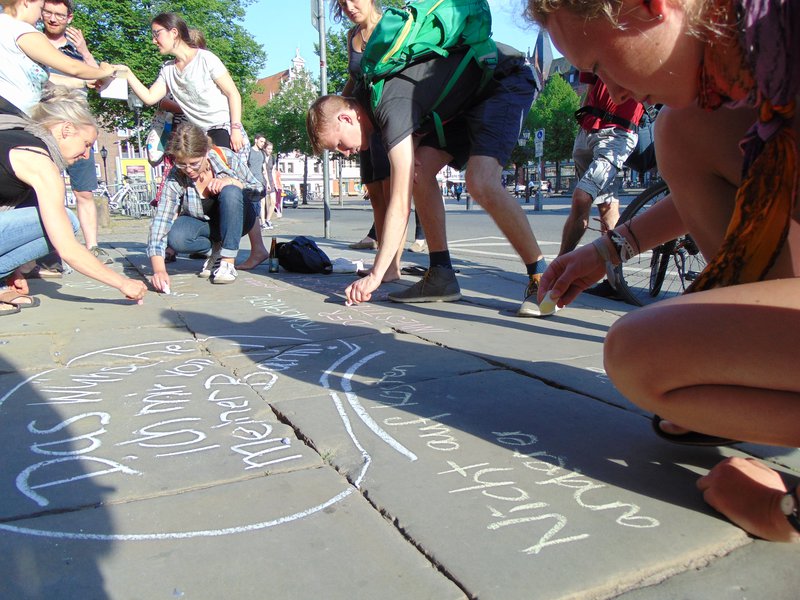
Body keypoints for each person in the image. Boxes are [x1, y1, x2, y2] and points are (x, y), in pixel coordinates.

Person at [527, 0, 800, 542]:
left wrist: (786, 510)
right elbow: (755, 172)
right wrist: (608, 250)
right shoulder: (765, 52)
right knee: (685, 132)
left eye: (598, 67)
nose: (610, 93)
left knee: (637, 355)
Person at [308, 42, 554, 316]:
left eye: (339, 144)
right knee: (418, 173)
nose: (345, 153)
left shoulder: (388, 107)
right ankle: (441, 275)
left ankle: (541, 279)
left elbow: (400, 205)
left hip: (504, 80)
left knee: (480, 181)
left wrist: (376, 275)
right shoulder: (370, 97)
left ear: (347, 118)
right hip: (464, 101)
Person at [121, 12, 268, 270]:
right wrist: (127, 73)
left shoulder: (206, 59)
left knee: (232, 185)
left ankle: (255, 250)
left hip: (221, 127)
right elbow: (149, 97)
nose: (154, 40)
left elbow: (232, 93)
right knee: (205, 189)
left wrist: (234, 128)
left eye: (157, 34)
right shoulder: (167, 71)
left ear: (173, 32)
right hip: (198, 133)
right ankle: (218, 243)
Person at [0, 87, 147, 312]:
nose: (86, 155)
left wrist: (13, 270)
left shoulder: (16, 140)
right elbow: (67, 247)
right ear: (66, 130)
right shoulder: (40, 164)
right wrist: (122, 283)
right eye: (87, 144)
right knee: (67, 222)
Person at [333, 0, 405, 281]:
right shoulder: (352, 36)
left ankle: (393, 265)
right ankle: (383, 259)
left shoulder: (391, 25)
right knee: (376, 195)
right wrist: (336, 104)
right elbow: (354, 79)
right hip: (362, 123)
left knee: (392, 195)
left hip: (387, 118)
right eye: (342, 2)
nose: (349, 6)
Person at [147, 124, 262, 290]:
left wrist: (233, 182)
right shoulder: (176, 176)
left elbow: (259, 189)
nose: (188, 170)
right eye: (181, 164)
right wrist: (159, 270)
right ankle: (216, 249)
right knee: (177, 237)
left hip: (239, 220)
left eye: (194, 163)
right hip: (206, 226)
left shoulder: (226, 157)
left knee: (230, 191)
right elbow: (160, 221)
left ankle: (227, 262)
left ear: (206, 152)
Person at [41, 0, 111, 265]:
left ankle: (92, 246)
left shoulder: (74, 48)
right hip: (48, 128)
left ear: (69, 18)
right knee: (47, 190)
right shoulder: (33, 43)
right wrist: (79, 79)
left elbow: (100, 80)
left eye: (60, 14)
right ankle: (50, 253)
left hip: (78, 129)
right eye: (49, 12)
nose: (54, 18)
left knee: (84, 191)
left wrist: (83, 49)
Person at [560, 74, 641, 256]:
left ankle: (558, 267)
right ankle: (613, 275)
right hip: (589, 128)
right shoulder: (595, 49)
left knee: (582, 197)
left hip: (618, 131)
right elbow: (589, 85)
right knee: (606, 204)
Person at [0, 0, 116, 118]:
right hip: (15, 114)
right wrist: (104, 71)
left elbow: (42, 81)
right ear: (26, 1)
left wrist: (84, 82)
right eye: (42, 9)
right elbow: (72, 67)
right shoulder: (21, 30)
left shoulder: (4, 26)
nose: (40, 17)